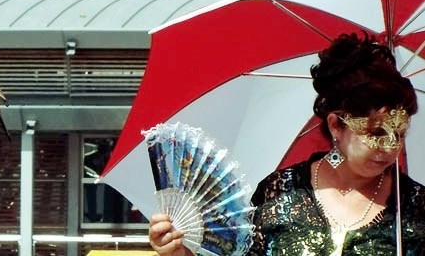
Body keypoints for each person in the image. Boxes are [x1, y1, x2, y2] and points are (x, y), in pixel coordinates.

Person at [148, 33, 425, 255]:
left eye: (399, 134)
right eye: (376, 133)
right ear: (336, 125)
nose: (390, 147)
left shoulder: (415, 207)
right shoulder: (278, 193)